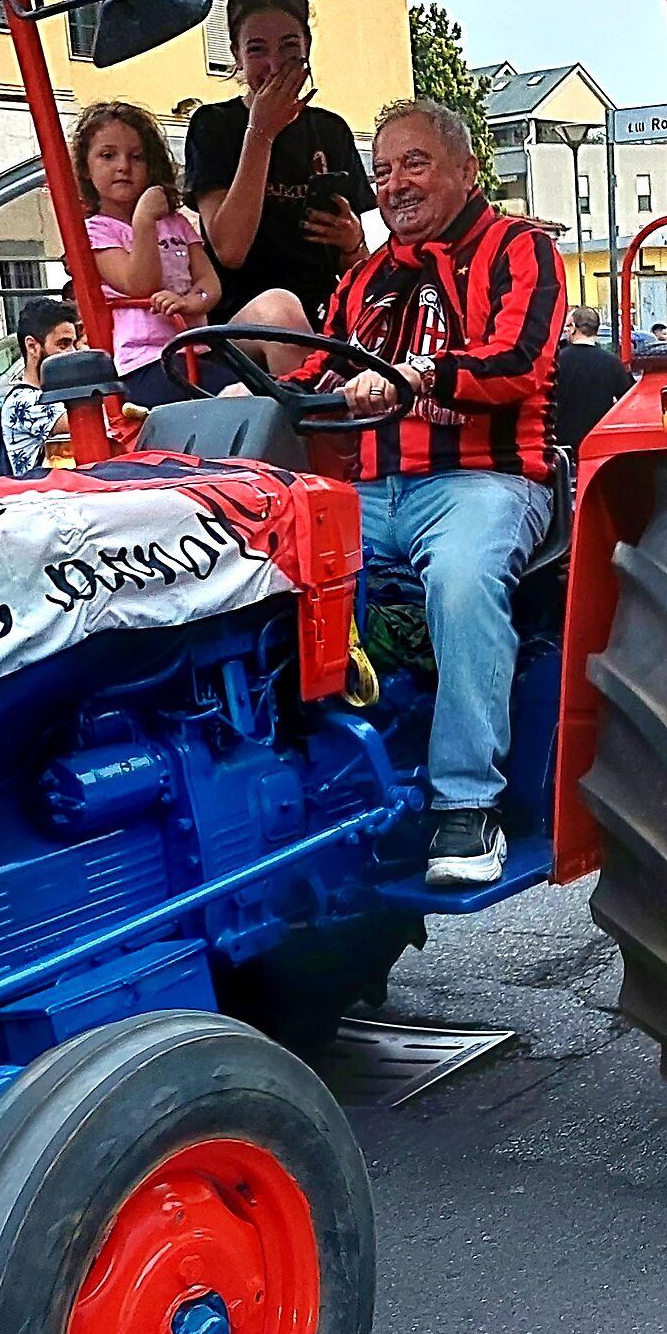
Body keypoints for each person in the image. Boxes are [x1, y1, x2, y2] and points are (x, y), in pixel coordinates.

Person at [280, 96, 561, 888]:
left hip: (482, 479)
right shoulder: (364, 279)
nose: (394, 183)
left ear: (466, 170)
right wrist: (235, 396)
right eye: (382, 170)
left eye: (414, 163)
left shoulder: (517, 250)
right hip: (372, 488)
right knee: (269, 564)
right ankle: (315, 786)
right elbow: (318, 372)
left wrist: (417, 376)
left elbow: (518, 362)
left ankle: (468, 807)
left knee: (464, 578)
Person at [183, 0, 375, 362]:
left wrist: (352, 242)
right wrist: (261, 133)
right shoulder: (214, 126)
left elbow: (358, 269)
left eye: (289, 47)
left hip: (325, 321)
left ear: (307, 48)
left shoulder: (331, 131)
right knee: (280, 310)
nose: (274, 65)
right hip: (242, 326)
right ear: (236, 55)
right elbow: (230, 250)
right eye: (257, 50)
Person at [76, 102, 220, 409]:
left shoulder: (176, 223)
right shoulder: (95, 232)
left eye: (136, 157)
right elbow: (140, 284)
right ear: (86, 168)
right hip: (145, 361)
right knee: (225, 399)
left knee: (253, 392)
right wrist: (143, 221)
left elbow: (209, 282)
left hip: (195, 350)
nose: (123, 166)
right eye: (108, 155)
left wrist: (190, 302)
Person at [0, 296, 80, 477]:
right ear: (32, 347)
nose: (72, 353)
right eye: (63, 344)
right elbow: (86, 422)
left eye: (73, 344)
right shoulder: (24, 401)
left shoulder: (44, 396)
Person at [553, 305, 628, 448]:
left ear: (574, 327)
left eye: (568, 326)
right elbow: (627, 402)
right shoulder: (613, 363)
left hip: (561, 443)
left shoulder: (556, 361)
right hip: (598, 442)